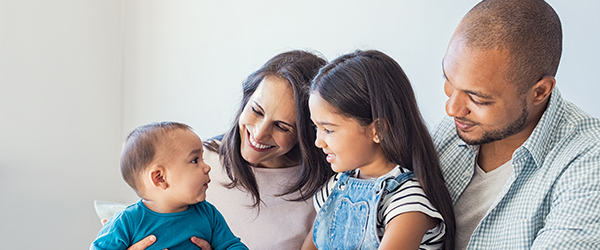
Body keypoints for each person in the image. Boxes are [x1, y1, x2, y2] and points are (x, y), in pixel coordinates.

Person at [114, 50, 334, 250]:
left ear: (306, 132)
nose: (258, 134)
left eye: (281, 126)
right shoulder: (194, 159)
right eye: (256, 111)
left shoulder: (326, 193)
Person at [435, 0, 600, 249]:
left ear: (540, 92)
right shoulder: (457, 127)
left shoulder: (588, 161)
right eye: (449, 81)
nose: (451, 109)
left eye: (477, 99)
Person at [302, 50, 456, 250]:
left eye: (328, 129)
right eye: (316, 128)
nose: (318, 142)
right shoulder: (336, 186)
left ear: (379, 130)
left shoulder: (408, 201)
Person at [91, 122, 247, 250]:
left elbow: (232, 245)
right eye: (195, 160)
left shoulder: (208, 214)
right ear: (160, 178)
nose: (207, 167)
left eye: (202, 159)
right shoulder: (127, 221)